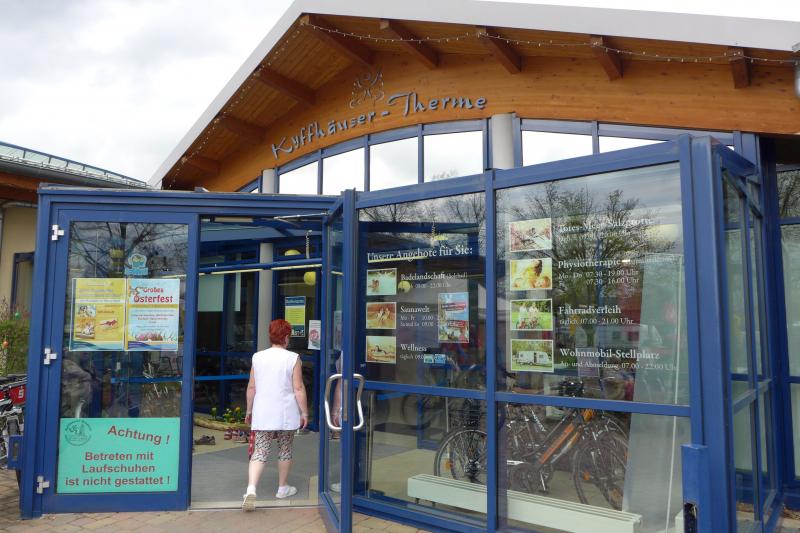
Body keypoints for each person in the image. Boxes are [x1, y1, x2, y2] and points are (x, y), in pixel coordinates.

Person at [242, 319, 309, 511]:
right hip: (285, 412)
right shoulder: (293, 358)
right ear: (286, 337)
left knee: (260, 451)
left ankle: (251, 489)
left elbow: (252, 387)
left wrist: (249, 410)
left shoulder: (257, 357)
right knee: (285, 449)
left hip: (263, 412)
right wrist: (304, 412)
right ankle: (282, 488)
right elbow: (298, 388)